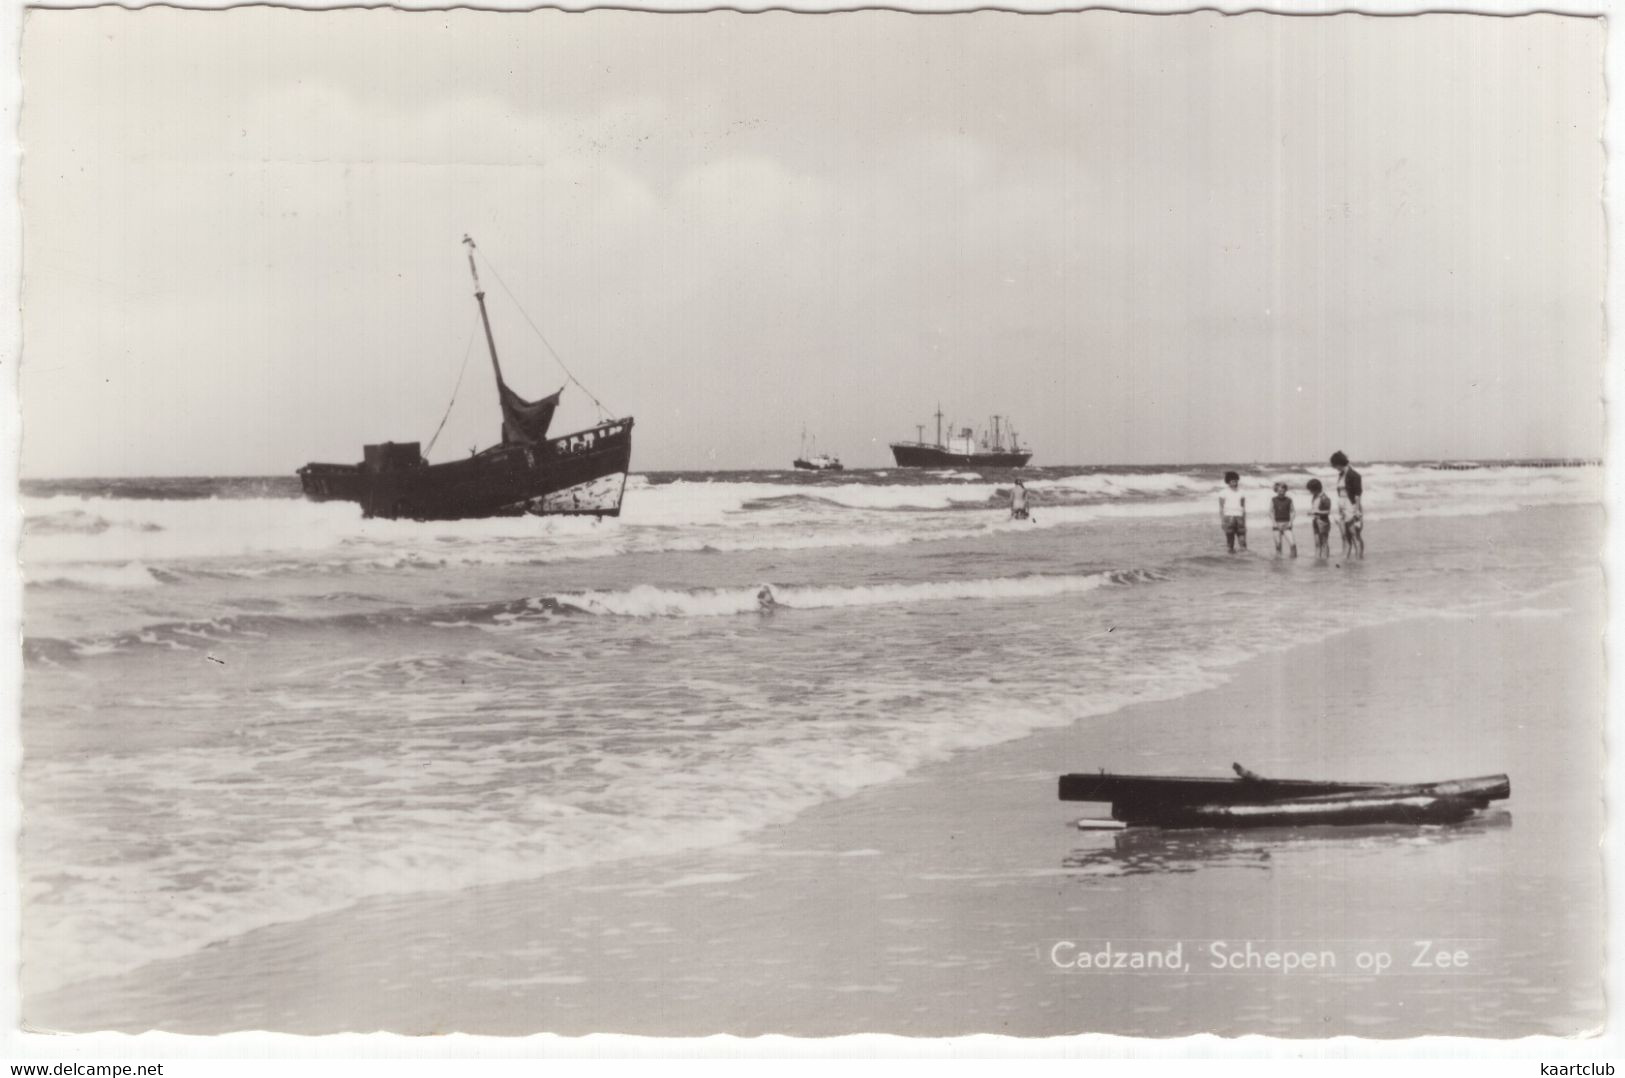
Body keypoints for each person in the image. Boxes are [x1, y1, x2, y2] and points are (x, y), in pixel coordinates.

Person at [1330, 451, 1364, 559]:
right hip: (1342, 505)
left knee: (1354, 534)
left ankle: (1359, 559)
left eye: (1335, 465)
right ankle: (1347, 558)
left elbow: (1357, 495)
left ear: (1340, 463)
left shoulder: (1354, 475)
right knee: (1345, 535)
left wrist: (1357, 510)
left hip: (1351, 505)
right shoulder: (1341, 475)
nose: (1335, 468)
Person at [1218, 471, 1246, 553]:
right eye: (1232, 480)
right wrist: (1222, 521)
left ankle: (1243, 558)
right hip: (1228, 517)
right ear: (1228, 481)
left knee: (1242, 539)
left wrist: (1244, 519)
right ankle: (1231, 559)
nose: (1234, 482)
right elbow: (1221, 507)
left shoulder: (1241, 492)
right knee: (1230, 540)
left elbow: (1243, 507)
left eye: (1236, 480)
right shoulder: (1223, 492)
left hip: (1239, 517)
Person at [1306, 478, 1333, 559]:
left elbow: (1327, 512)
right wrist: (1312, 511)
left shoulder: (1325, 498)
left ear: (1316, 489)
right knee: (1317, 543)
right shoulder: (1315, 496)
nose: (1310, 492)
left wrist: (1316, 512)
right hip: (1315, 520)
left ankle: (1325, 559)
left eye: (1311, 490)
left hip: (1323, 521)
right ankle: (1317, 558)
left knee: (1324, 542)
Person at [1270, 481, 1297, 558]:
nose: (1281, 492)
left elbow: (1293, 512)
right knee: (1278, 545)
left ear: (1286, 490)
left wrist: (1291, 522)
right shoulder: (1273, 500)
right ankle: (1279, 563)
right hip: (1276, 525)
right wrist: (1274, 522)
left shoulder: (1289, 500)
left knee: (1293, 544)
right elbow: (1270, 512)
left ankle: (1293, 561)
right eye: (1279, 491)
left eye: (1283, 491)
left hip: (1286, 524)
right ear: (1276, 490)